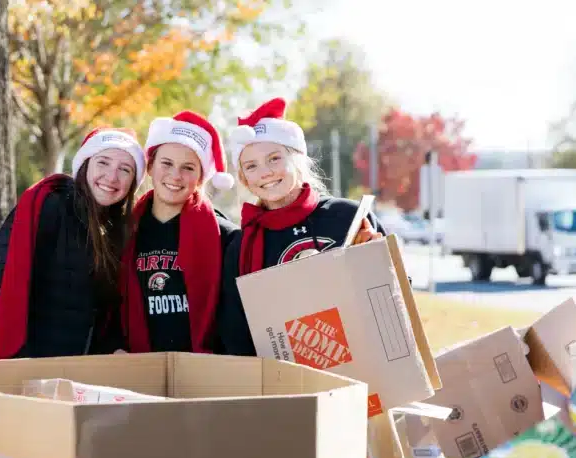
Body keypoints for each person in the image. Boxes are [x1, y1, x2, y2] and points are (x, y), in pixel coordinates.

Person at [218, 97, 386, 356]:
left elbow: (395, 296)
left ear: (297, 158)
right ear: (243, 178)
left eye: (274, 158)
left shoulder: (348, 217)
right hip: (284, 380)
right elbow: (235, 335)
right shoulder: (241, 247)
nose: (265, 172)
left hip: (360, 365)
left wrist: (377, 262)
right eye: (251, 166)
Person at [0, 127, 146, 359]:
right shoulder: (50, 206)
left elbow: (101, 313)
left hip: (75, 368)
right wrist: (5, 360)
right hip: (27, 361)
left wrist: (114, 348)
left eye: (124, 169)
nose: (112, 177)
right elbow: (0, 287)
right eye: (103, 163)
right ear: (86, 165)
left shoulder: (118, 232)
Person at [119, 111, 239, 353]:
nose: (175, 176)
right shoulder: (122, 232)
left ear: (201, 177)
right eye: (166, 163)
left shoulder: (225, 237)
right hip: (136, 368)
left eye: (188, 167)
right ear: (150, 167)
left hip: (201, 372)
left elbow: (234, 320)